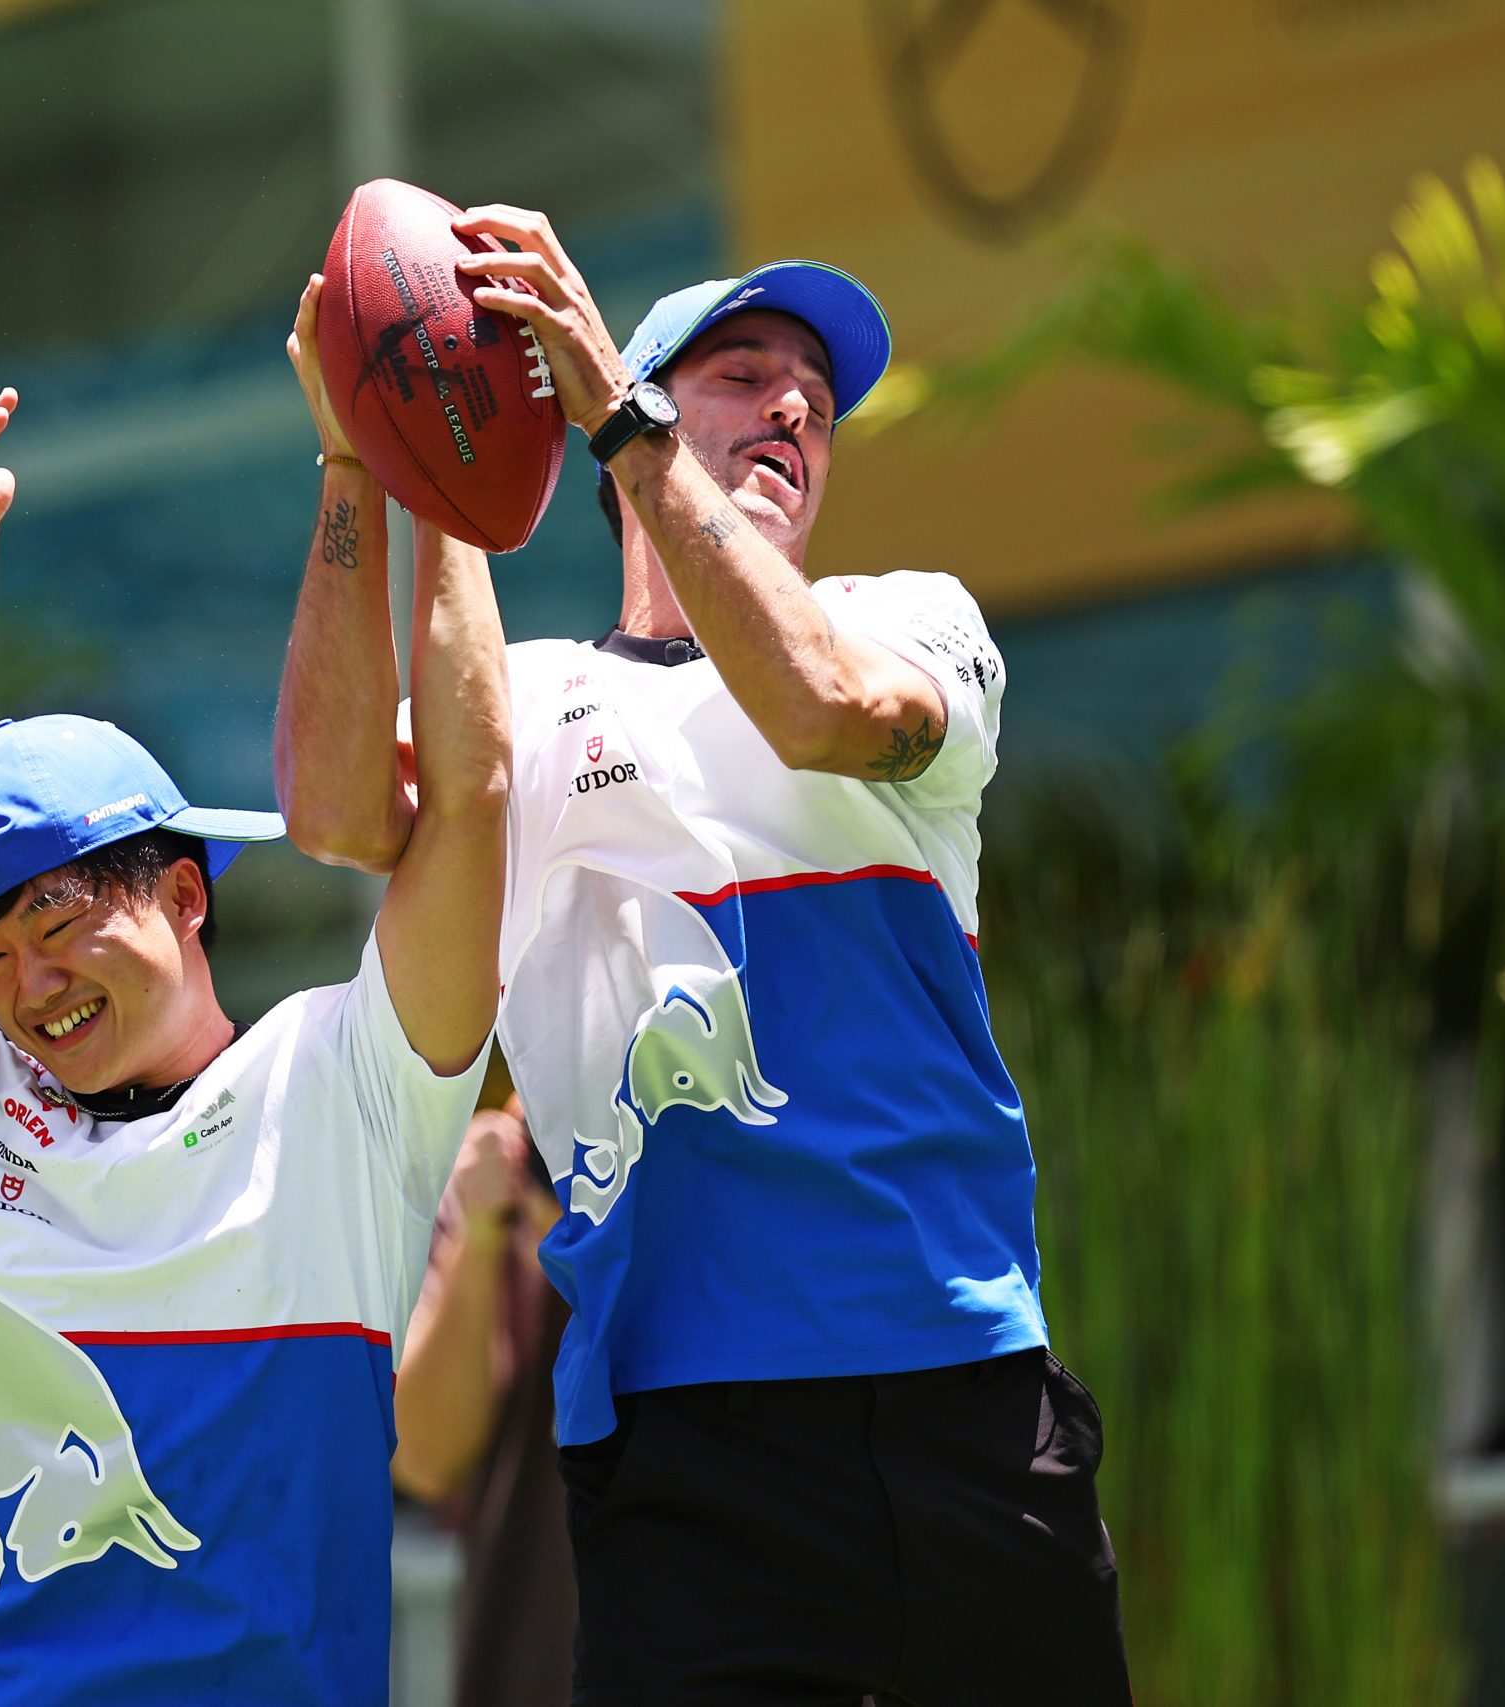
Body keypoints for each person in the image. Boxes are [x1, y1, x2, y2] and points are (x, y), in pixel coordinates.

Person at [278, 216, 1130, 1705]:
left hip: (966, 1404)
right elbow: (342, 809)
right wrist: (374, 454)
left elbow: (821, 707)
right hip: (688, 1456)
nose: (796, 403)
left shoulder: (908, 621)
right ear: (627, 409)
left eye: (816, 390)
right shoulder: (532, 708)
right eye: (744, 371)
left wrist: (617, 410)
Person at [0, 388, 510, 1704]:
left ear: (187, 895)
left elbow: (468, 804)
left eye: (59, 922)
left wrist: (398, 470)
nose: (29, 986)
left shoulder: (344, 1085)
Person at [392, 1100, 572, 1707]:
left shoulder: (690, 1119)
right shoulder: (495, 1168)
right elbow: (423, 1459)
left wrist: (587, 1262)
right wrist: (478, 1240)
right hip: (523, 1660)